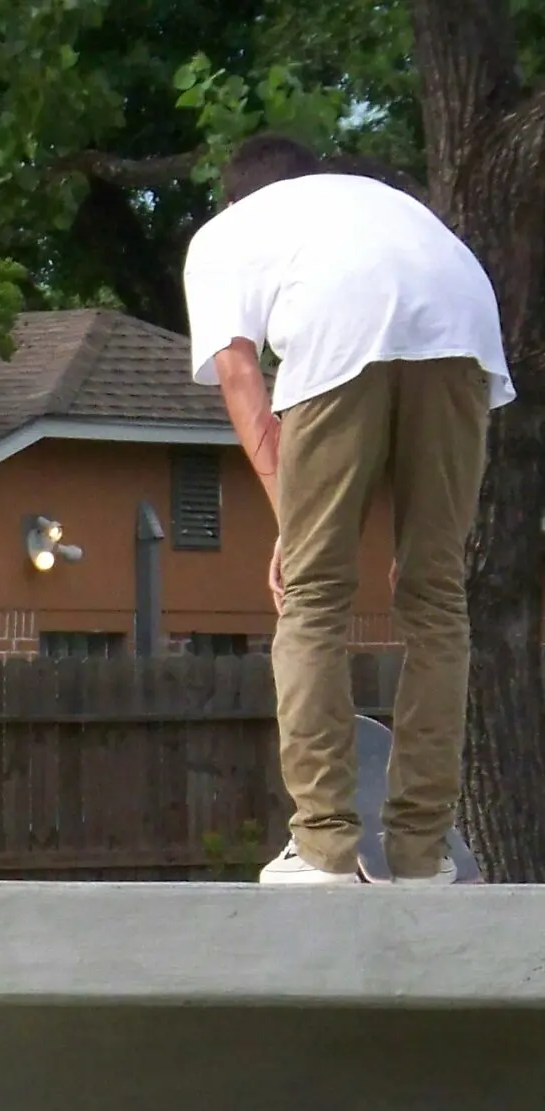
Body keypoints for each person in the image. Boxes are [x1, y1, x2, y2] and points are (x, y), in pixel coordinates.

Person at [183, 133, 514, 885]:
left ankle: (326, 847)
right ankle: (422, 853)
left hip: (342, 327)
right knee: (436, 597)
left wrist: (287, 518)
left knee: (314, 600)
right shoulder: (384, 207)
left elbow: (241, 377)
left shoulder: (228, 232)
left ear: (238, 196)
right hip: (464, 319)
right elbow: (404, 341)